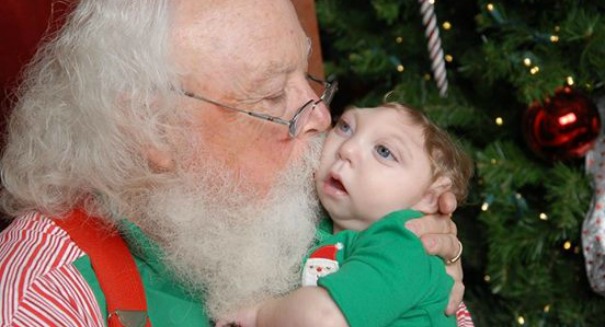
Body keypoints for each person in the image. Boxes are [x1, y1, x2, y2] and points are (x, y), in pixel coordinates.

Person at [0, 1, 467, 326]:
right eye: (271, 95)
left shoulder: (317, 195)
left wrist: (433, 271)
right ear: (152, 128)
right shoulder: (46, 296)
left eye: (304, 76)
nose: (323, 117)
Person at [216, 103, 474, 327]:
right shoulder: (313, 219)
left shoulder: (404, 245)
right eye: (345, 127)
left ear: (429, 197)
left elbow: (324, 319)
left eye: (384, 151)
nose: (347, 149)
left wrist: (260, 315)